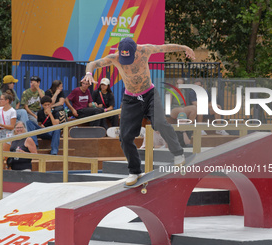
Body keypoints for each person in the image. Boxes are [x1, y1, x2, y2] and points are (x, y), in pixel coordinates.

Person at [83, 37, 196, 185]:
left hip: (149, 95)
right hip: (131, 100)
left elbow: (164, 47)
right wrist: (89, 73)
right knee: (124, 137)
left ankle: (178, 154)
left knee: (160, 123)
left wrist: (183, 47)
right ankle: (135, 171)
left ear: (135, 50)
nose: (127, 62)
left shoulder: (145, 49)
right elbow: (93, 63)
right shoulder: (115, 57)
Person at [169, 78, 196, 147]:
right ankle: (181, 129)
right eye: (177, 83)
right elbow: (168, 103)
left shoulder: (184, 91)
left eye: (180, 84)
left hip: (182, 109)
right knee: (181, 110)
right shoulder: (171, 91)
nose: (178, 85)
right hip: (173, 109)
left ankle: (189, 127)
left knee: (194, 108)